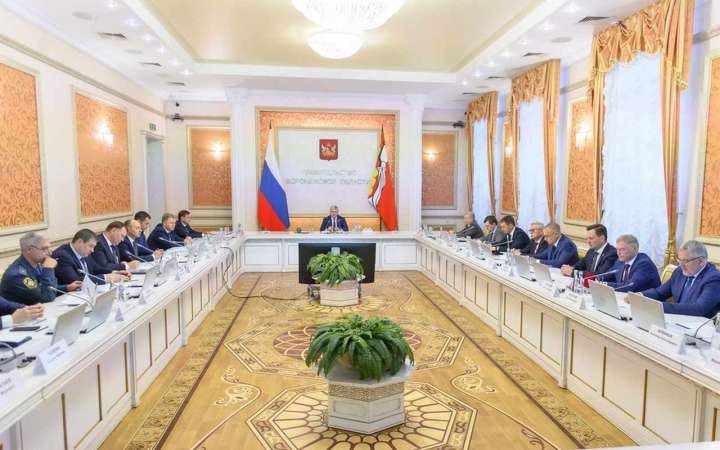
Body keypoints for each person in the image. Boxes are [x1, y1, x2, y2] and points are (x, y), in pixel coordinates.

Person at [640, 240, 720, 318]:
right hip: (677, 319)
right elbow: (660, 293)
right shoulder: (679, 272)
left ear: (701, 261)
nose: (681, 265)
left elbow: (699, 308)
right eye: (679, 260)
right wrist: (640, 296)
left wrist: (659, 306)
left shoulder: (714, 279)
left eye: (685, 261)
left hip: (700, 323)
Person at [0, 232, 82, 305]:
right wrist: (48, 268)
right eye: (44, 249)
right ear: (29, 250)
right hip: (18, 316)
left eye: (49, 248)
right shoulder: (17, 275)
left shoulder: (36, 264)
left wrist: (67, 287)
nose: (50, 252)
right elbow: (47, 297)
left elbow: (43, 289)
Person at [53, 229, 127, 285]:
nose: (92, 250)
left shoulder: (83, 252)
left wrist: (114, 272)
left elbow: (96, 269)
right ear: (80, 242)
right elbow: (77, 281)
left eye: (93, 247)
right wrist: (107, 278)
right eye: (90, 246)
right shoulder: (62, 256)